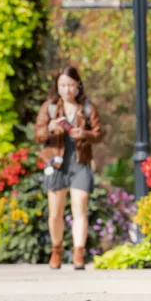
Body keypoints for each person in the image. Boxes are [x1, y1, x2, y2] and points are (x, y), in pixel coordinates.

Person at [35, 67, 102, 270]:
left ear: (78, 85)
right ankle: (56, 250)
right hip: (56, 164)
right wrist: (49, 130)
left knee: (79, 209)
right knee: (55, 213)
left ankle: (78, 254)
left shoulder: (87, 107)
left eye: (71, 84)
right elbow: (37, 134)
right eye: (63, 85)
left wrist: (86, 134)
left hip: (80, 162)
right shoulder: (50, 107)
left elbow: (98, 134)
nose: (67, 89)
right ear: (57, 86)